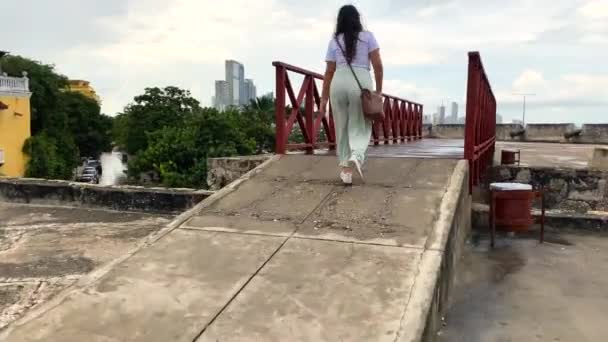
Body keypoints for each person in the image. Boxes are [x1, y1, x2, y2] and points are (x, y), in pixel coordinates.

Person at [319, 5, 384, 185]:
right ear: (357, 18)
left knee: (342, 127)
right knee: (361, 124)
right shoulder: (368, 36)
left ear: (339, 20)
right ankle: (357, 155)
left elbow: (329, 72)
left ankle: (346, 171)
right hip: (360, 81)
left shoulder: (334, 41)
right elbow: (378, 66)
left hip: (338, 82)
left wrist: (324, 100)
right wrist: (378, 90)